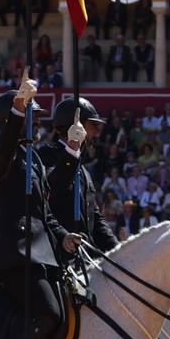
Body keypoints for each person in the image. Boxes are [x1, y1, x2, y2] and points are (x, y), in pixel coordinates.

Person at [0, 74, 81, 339]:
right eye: (33, 117)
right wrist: (17, 108)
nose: (37, 124)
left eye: (37, 118)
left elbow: (44, 209)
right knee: (47, 313)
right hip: (15, 250)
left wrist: (71, 152)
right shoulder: (1, 155)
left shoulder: (35, 160)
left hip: (43, 251)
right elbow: (7, 141)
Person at [41, 96, 119, 254]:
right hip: (57, 254)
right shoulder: (45, 156)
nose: (97, 133)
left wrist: (118, 250)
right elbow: (53, 187)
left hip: (86, 255)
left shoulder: (83, 170)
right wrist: (72, 149)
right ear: (76, 126)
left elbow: (95, 218)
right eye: (93, 126)